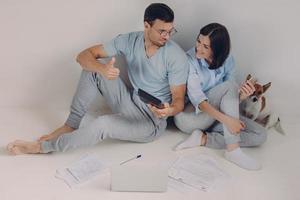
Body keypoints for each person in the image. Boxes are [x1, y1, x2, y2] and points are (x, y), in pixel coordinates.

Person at [7, 3, 188, 155]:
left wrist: (169, 111)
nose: (167, 36)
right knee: (92, 68)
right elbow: (83, 56)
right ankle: (71, 125)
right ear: (146, 26)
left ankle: (42, 147)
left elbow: (179, 100)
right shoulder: (129, 40)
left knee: (103, 123)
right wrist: (103, 69)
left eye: (170, 31)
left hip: (151, 122)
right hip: (130, 102)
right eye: (162, 31)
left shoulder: (175, 56)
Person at [173, 23, 267, 170]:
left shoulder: (228, 59)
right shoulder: (189, 60)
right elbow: (200, 101)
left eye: (206, 46)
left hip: (215, 117)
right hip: (189, 117)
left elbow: (229, 99)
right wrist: (228, 121)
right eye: (199, 41)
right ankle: (233, 150)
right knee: (231, 87)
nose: (199, 48)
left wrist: (242, 96)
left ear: (217, 50)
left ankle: (203, 139)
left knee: (260, 134)